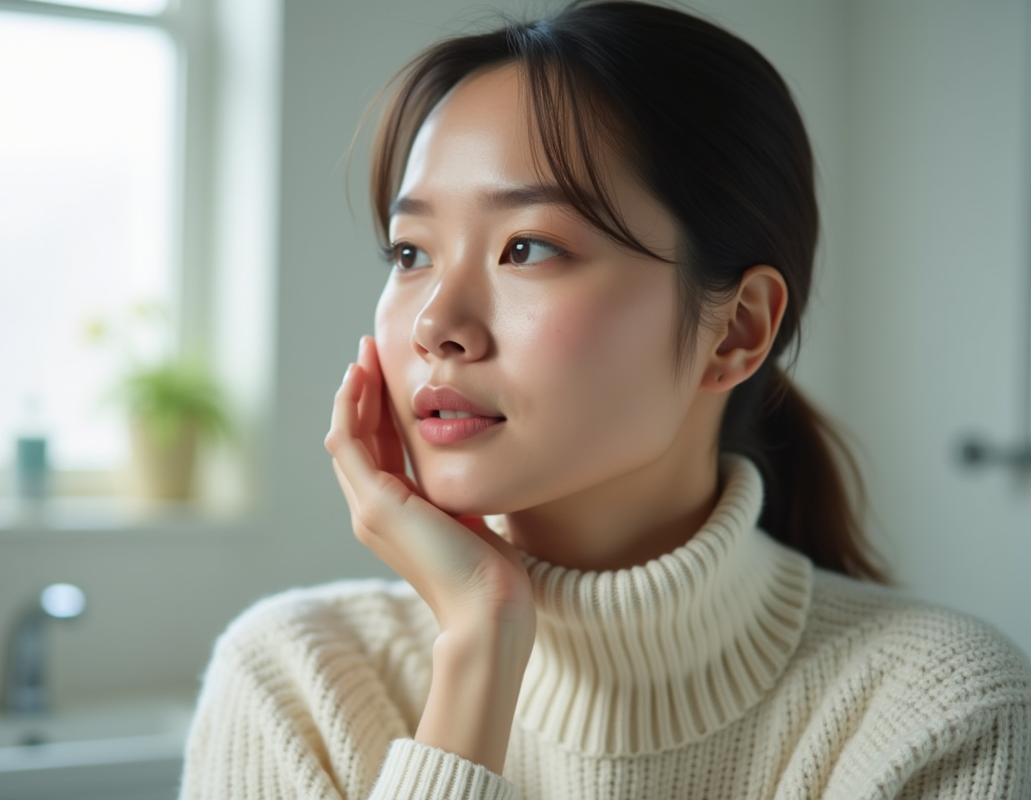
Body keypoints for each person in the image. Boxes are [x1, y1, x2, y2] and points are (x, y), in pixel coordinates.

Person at [177, 2, 1031, 798]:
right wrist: (478, 649)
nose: (436, 324)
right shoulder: (297, 680)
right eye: (411, 253)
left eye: (528, 247)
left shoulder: (944, 709)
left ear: (735, 330)